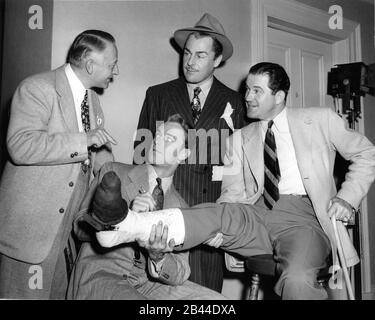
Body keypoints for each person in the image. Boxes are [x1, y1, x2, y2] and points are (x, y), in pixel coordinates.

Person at [95, 63, 375, 300]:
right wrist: (223, 239)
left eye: (257, 91)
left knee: (298, 278)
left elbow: (367, 154)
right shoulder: (239, 138)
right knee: (218, 212)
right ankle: (130, 225)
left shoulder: (319, 119)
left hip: (303, 219)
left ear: (279, 96)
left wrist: (346, 198)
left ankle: (132, 226)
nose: (247, 97)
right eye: (247, 89)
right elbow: (231, 194)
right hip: (256, 213)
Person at [0, 30, 119, 299]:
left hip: (66, 234)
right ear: (90, 65)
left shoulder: (93, 101)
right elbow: (20, 145)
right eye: (112, 64)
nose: (116, 71)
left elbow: (94, 156)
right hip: (32, 233)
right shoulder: (37, 87)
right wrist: (83, 140)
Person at [133, 12, 246, 292]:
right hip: (162, 213)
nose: (190, 62)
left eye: (200, 55)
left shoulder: (235, 102)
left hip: (210, 221)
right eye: (187, 53)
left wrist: (232, 224)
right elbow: (140, 155)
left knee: (204, 294)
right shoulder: (157, 95)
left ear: (217, 60)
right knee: (161, 290)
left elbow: (240, 169)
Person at [69, 114, 226, 300]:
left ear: (183, 154)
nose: (158, 141)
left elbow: (181, 272)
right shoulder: (113, 171)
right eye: (157, 135)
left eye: (168, 139)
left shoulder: (182, 208)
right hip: (102, 275)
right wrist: (124, 216)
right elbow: (79, 226)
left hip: (149, 284)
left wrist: (159, 257)